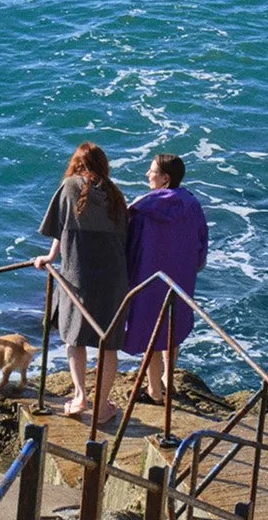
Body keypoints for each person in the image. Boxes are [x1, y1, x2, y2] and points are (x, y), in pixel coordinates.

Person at [32, 142, 130, 418]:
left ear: (77, 164)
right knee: (108, 343)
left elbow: (59, 228)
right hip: (114, 277)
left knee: (75, 338)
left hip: (79, 275)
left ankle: (80, 398)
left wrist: (50, 257)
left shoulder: (70, 186)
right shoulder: (115, 193)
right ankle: (102, 407)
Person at [123, 153, 209, 404]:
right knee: (173, 326)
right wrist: (194, 265)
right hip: (181, 276)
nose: (147, 174)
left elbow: (130, 243)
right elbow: (202, 240)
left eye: (152, 171)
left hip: (149, 276)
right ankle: (168, 381)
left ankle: (154, 391)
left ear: (165, 179)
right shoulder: (192, 204)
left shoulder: (143, 208)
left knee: (151, 328)